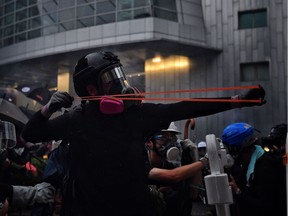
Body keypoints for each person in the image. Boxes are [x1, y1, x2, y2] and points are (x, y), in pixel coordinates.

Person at [22, 51, 266, 216]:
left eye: (119, 74)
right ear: (91, 88)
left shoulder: (136, 116)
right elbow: (31, 133)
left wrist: (236, 101)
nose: (120, 83)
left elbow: (185, 107)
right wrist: (47, 108)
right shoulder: (76, 120)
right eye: (110, 78)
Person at [221, 122, 286, 216]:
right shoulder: (251, 161)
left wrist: (237, 192)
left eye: (229, 149)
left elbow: (264, 206)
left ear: (237, 149)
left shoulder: (265, 167)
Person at [145, 122, 208, 216]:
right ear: (149, 143)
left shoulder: (169, 166)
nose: (169, 143)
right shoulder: (142, 163)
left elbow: (193, 194)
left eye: (172, 138)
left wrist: (194, 155)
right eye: (163, 138)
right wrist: (205, 161)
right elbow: (173, 175)